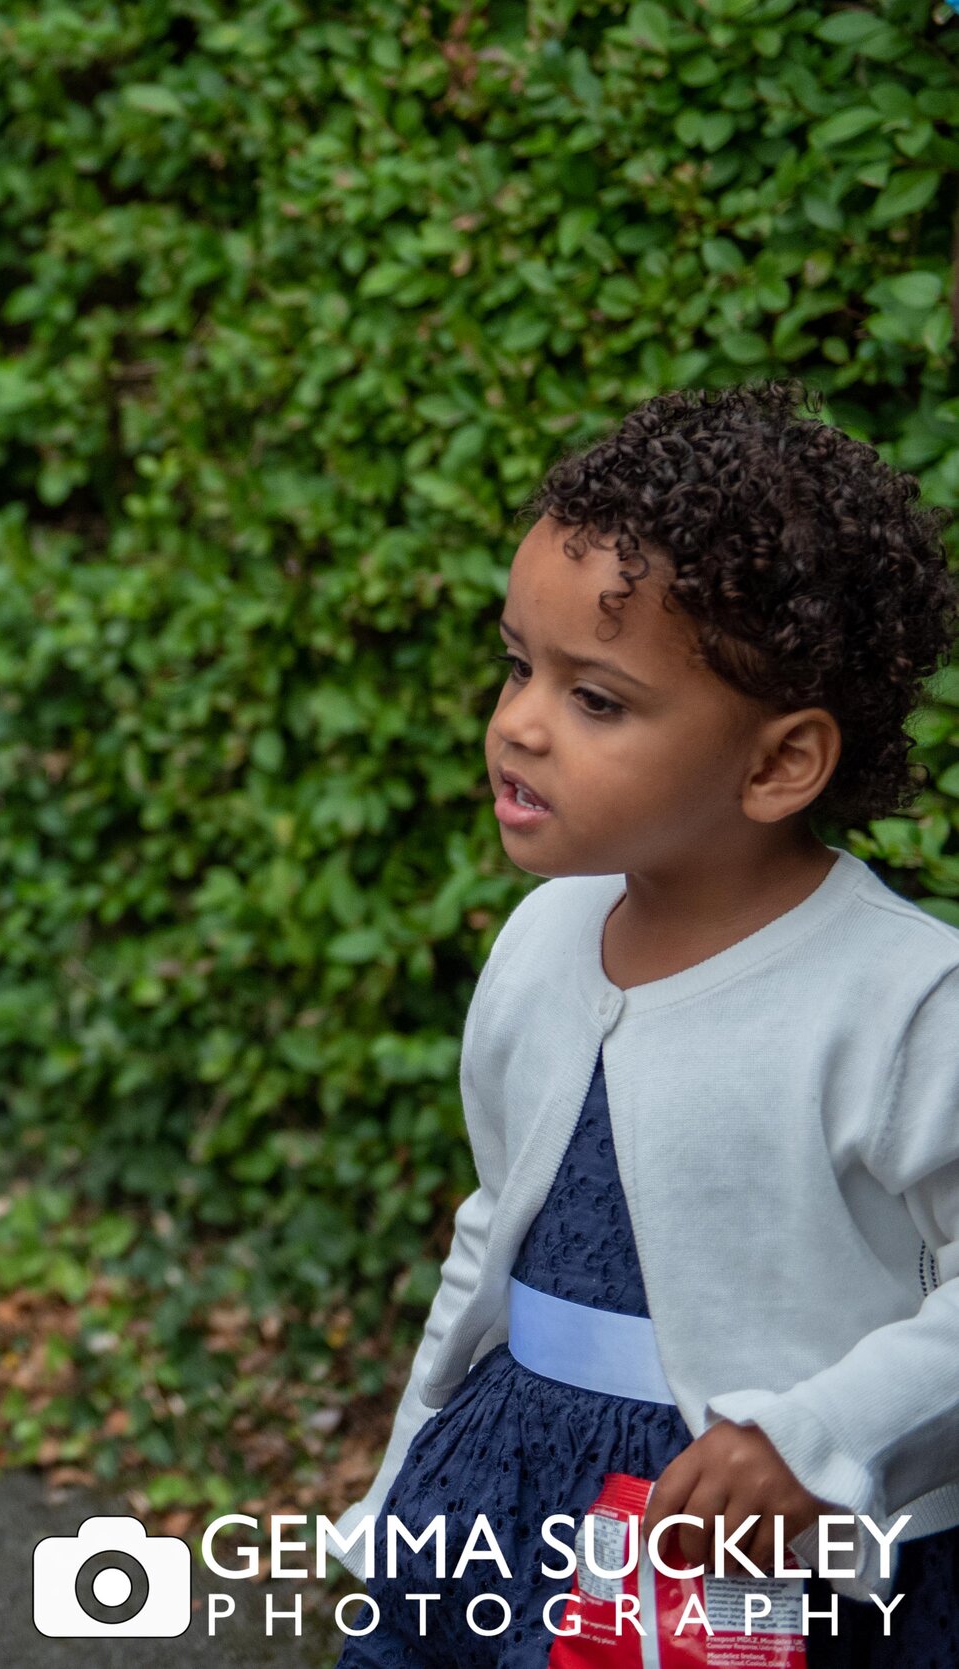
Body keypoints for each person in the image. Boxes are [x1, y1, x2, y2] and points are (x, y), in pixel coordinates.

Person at [334, 383, 959, 1666]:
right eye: (519, 666)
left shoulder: (902, 1002)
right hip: (500, 1499)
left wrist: (811, 1435)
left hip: (746, 1557)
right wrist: (394, 1497)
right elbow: (489, 1238)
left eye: (596, 700)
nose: (517, 722)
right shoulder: (542, 937)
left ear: (779, 762)